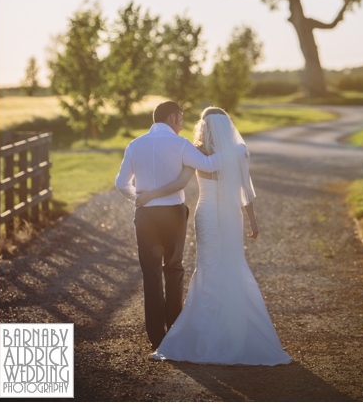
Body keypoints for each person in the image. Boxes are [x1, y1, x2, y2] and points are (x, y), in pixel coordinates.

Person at [136, 107, 291, 366]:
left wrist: (151, 193)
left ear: (204, 127)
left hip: (207, 213)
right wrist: (252, 220)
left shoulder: (195, 152)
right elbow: (244, 190)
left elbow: (180, 182)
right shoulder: (238, 152)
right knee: (231, 265)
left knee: (208, 267)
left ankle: (206, 331)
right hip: (231, 213)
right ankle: (234, 330)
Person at [115, 100, 223, 355]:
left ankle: (156, 337)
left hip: (145, 216)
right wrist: (233, 151)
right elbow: (208, 165)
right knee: (173, 269)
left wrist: (139, 198)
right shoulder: (181, 144)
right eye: (181, 118)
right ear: (173, 117)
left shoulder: (135, 144)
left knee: (150, 274)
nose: (183, 124)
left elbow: (121, 183)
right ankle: (176, 330)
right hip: (173, 214)